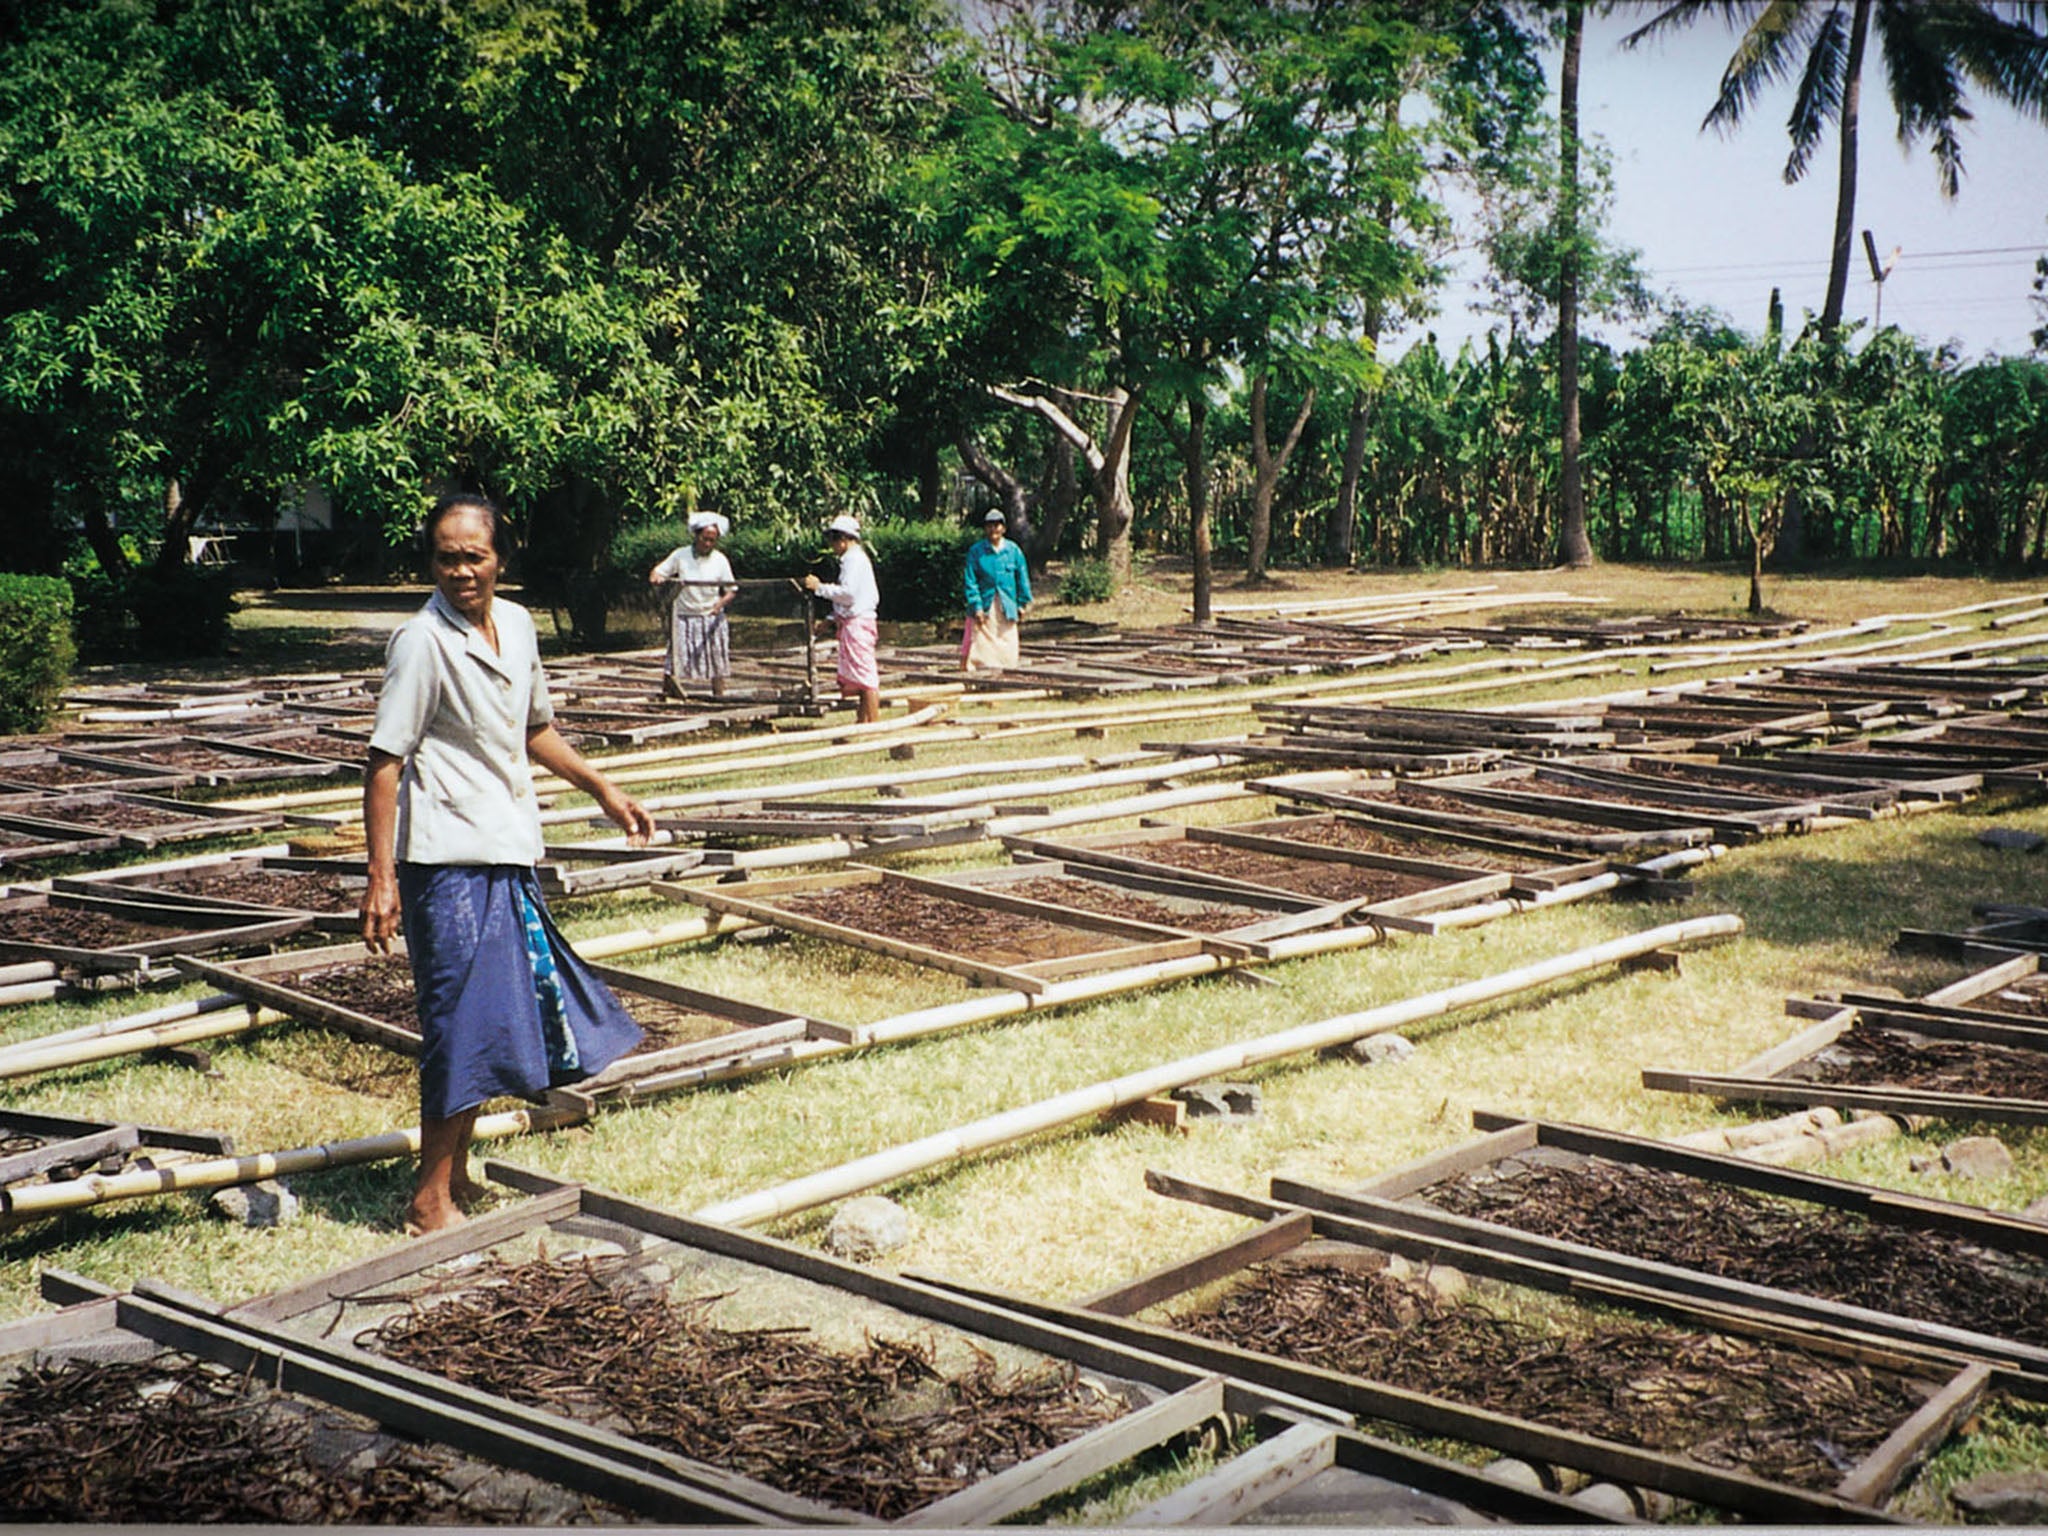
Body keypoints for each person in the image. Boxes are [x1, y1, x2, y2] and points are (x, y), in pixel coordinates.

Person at [360, 492, 656, 1236]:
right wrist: (381, 878)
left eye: (474, 557)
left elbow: (534, 729)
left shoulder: (517, 626)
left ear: (500, 559)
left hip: (506, 847)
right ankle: (428, 1201)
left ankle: (455, 1173)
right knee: (459, 1025)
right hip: (447, 861)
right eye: (446, 558)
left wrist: (603, 789)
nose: (461, 571)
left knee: (492, 1019)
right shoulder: (421, 642)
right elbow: (385, 763)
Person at [803, 513, 882, 724]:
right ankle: (862, 722)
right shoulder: (853, 559)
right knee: (860, 677)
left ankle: (874, 726)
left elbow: (848, 594)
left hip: (858, 624)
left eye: (833, 539)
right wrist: (830, 619)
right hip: (855, 622)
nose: (832, 545)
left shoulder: (853, 560)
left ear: (843, 539)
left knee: (866, 677)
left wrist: (819, 587)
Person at [648, 510, 737, 698]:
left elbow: (731, 590)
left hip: (710, 616)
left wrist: (718, 605)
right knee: (675, 658)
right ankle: (668, 693)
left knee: (716, 660)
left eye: (712, 540)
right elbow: (658, 572)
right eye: (705, 539)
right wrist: (657, 577)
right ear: (697, 536)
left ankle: (719, 696)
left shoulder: (720, 560)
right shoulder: (681, 555)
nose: (707, 544)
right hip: (684, 615)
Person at [961, 508, 1032, 673]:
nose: (993, 529)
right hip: (986, 604)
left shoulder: (1013, 551)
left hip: (1007, 605)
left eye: (997, 525)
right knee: (982, 641)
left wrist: (1022, 604)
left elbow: (1022, 578)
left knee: (1007, 640)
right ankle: (982, 672)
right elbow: (970, 581)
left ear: (1003, 529)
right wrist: (977, 606)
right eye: (990, 526)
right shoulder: (976, 552)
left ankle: (1006, 671)